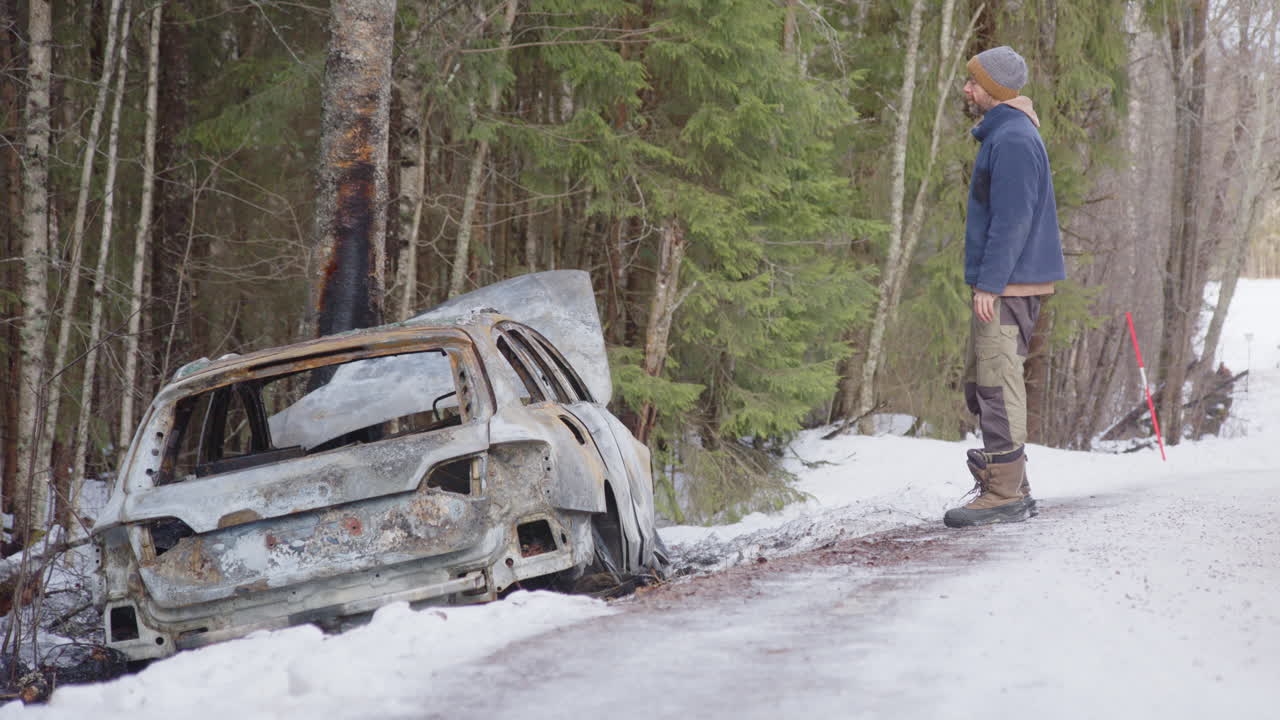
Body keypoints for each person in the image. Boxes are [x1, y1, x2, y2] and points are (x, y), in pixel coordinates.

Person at [944, 46, 1065, 529]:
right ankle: (1014, 482)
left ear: (993, 91)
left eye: (974, 83)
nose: (967, 89)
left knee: (996, 383)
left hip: (1009, 285)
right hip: (1007, 283)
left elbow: (1012, 221)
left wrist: (990, 284)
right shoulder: (1007, 135)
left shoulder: (1013, 139)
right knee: (985, 382)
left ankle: (1004, 493)